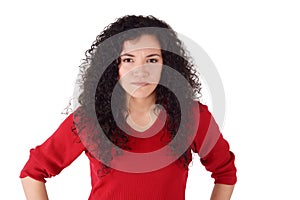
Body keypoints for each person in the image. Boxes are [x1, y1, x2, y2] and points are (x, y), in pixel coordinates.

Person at [20, 15, 237, 200]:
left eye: (152, 60)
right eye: (128, 59)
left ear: (166, 65)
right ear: (114, 66)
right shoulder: (89, 119)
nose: (140, 71)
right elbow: (32, 173)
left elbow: (225, 173)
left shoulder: (193, 116)